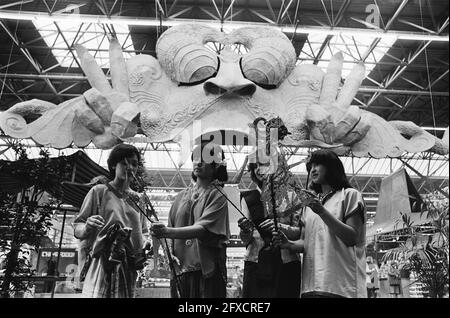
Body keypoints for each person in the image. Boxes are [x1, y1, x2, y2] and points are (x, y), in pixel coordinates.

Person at [273, 149, 367, 298]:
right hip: (311, 287)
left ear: (332, 167)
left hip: (342, 287)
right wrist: (288, 244)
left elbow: (352, 237)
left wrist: (321, 211)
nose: (313, 169)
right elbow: (305, 243)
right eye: (310, 166)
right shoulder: (309, 205)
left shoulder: (349, 195)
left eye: (318, 164)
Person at [151, 141, 230, 298]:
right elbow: (169, 230)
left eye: (205, 158)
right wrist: (168, 253)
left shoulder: (217, 195)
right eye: (195, 157)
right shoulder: (180, 196)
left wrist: (167, 232)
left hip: (206, 271)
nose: (198, 162)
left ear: (216, 166)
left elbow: (203, 229)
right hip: (180, 271)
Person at [73, 143, 149, 298]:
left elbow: (144, 232)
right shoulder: (99, 191)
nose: (130, 168)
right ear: (114, 165)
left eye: (134, 164)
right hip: (102, 263)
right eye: (124, 163)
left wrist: (146, 242)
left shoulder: (138, 199)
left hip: (128, 266)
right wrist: (87, 226)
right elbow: (77, 226)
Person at [239, 162, 302, 298]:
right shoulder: (248, 198)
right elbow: (246, 240)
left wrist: (280, 227)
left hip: (287, 264)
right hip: (256, 264)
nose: (259, 170)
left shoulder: (291, 196)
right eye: (255, 166)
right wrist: (245, 231)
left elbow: (299, 233)